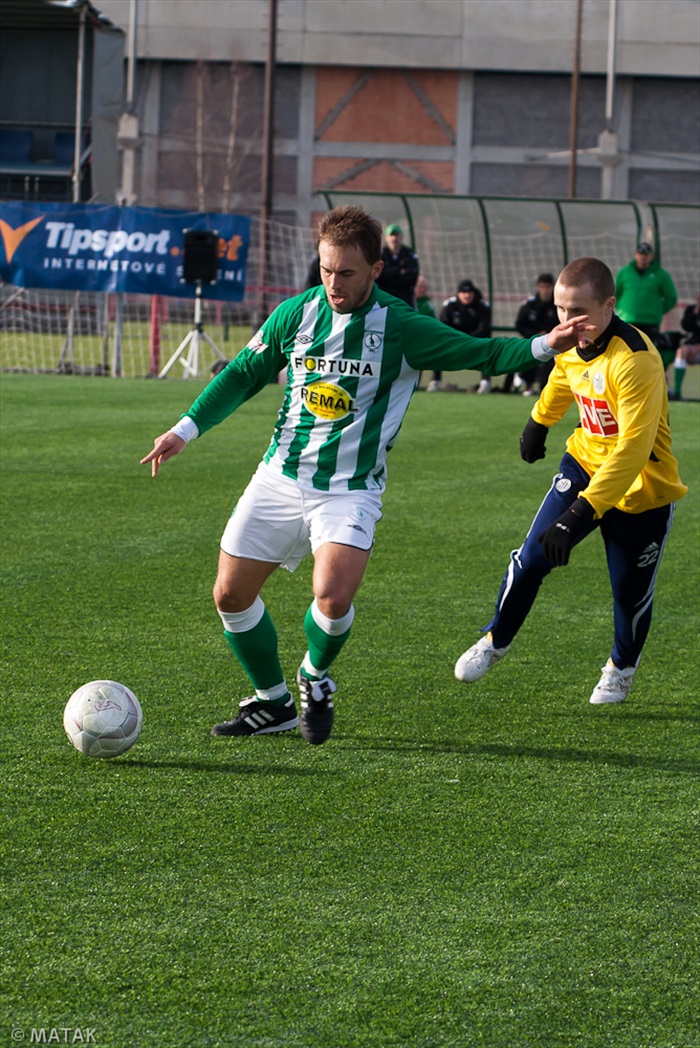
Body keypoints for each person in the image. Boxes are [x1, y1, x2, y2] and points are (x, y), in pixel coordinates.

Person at [141, 205, 591, 745]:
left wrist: (546, 344)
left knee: (332, 598)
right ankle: (273, 703)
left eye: (346, 272)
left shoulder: (400, 326)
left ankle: (314, 676)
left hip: (349, 489)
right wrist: (184, 430)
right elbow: (242, 374)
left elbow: (484, 353)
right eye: (326, 269)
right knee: (230, 596)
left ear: (376, 270)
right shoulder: (295, 314)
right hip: (279, 476)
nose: (333, 283)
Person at [455, 256, 687, 705]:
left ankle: (621, 667)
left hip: (642, 486)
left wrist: (582, 511)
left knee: (629, 593)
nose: (568, 321)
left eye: (579, 311)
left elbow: (633, 450)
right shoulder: (570, 339)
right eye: (561, 309)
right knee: (531, 557)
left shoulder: (635, 360)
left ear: (609, 306)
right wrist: (539, 422)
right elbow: (563, 377)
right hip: (583, 464)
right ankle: (495, 639)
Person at [614, 241, 678, 346]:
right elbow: (615, 293)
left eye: (646, 254)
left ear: (652, 256)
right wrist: (621, 308)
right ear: (635, 254)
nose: (643, 256)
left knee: (648, 350)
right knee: (626, 350)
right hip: (627, 320)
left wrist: (657, 311)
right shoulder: (624, 273)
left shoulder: (661, 275)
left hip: (650, 322)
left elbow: (671, 297)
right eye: (641, 253)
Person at [437, 280, 492, 392]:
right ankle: (435, 381)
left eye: (470, 293)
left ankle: (485, 383)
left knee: (488, 349)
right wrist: (457, 340)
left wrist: (468, 340)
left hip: (475, 342)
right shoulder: (449, 305)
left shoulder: (482, 306)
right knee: (437, 348)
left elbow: (483, 329)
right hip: (454, 342)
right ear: (458, 294)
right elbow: (443, 327)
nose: (467, 296)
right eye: (464, 293)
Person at [509, 272, 558, 395]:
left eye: (548, 287)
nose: (545, 290)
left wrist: (550, 335)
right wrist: (536, 334)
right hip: (533, 340)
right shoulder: (529, 305)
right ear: (538, 287)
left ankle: (545, 388)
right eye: (543, 287)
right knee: (530, 353)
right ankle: (527, 385)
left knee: (551, 361)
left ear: (553, 287)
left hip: (553, 343)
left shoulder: (558, 305)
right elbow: (520, 324)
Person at [375, 223, 419, 306]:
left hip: (405, 300)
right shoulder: (380, 255)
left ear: (401, 237)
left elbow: (412, 278)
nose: (394, 238)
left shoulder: (409, 254)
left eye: (397, 235)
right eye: (391, 235)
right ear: (386, 238)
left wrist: (389, 277)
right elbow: (378, 276)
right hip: (385, 300)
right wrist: (399, 271)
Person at [671, 292, 700, 400]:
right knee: (681, 351)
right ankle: (677, 392)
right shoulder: (692, 309)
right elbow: (686, 326)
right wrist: (696, 311)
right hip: (693, 348)